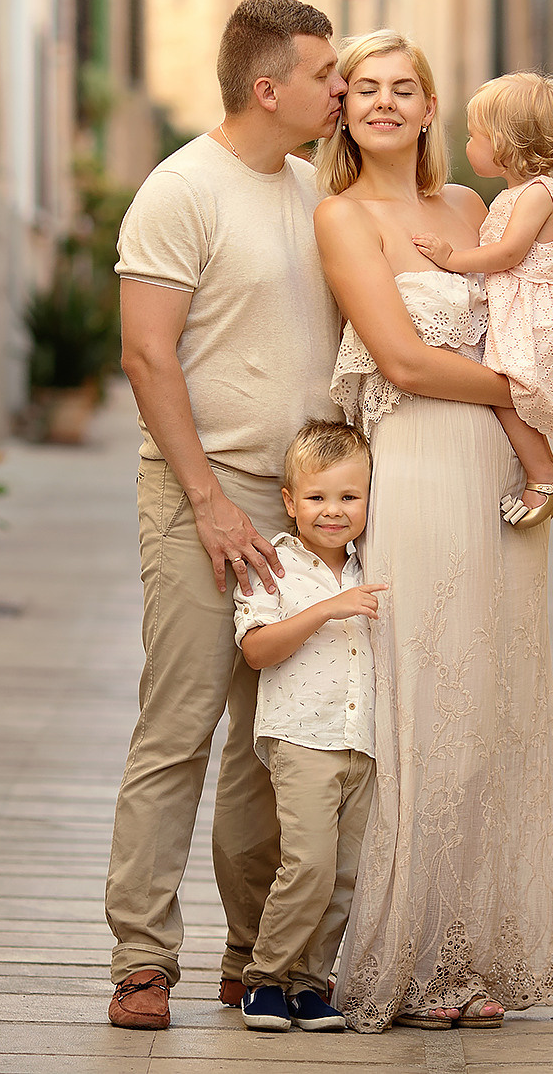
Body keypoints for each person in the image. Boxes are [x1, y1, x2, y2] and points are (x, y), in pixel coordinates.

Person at [313, 30, 553, 1033]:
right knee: (421, 701)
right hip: (416, 460)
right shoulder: (340, 217)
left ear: (429, 108)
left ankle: (471, 954)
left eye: (402, 87)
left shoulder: (472, 208)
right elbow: (404, 362)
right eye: (364, 88)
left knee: (490, 700)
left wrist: (540, 400)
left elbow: (533, 304)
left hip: (498, 470)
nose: (383, 102)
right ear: (345, 108)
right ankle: (408, 958)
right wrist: (520, 388)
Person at [104, 0, 349, 1032]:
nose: (339, 89)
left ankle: (252, 956)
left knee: (278, 739)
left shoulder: (317, 192)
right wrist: (207, 504)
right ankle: (140, 959)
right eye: (325, 74)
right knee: (180, 725)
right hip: (202, 495)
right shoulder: (178, 191)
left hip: (309, 511)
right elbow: (145, 355)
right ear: (267, 87)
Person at [230, 420, 388, 1034]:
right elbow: (258, 651)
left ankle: (310, 984)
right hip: (303, 738)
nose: (333, 511)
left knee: (348, 874)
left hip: (364, 740)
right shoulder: (273, 568)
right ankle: (264, 978)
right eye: (318, 498)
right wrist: (327, 610)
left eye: (349, 497)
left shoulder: (373, 562)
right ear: (290, 501)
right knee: (310, 864)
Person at [410, 72, 553, 529]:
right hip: (524, 307)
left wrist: (452, 257)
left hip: (541, 314)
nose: (466, 144)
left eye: (474, 136)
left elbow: (510, 252)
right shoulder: (514, 194)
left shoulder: (539, 193)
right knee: (502, 388)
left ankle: (545, 472)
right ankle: (541, 468)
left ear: (501, 143)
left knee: (504, 388)